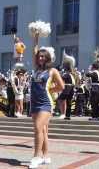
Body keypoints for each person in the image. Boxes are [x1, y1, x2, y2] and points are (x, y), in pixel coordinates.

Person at [29, 34, 64, 168]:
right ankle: (46, 155)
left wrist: (50, 90)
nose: (40, 58)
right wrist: (36, 38)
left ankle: (36, 156)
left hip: (46, 103)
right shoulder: (36, 69)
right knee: (43, 130)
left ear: (47, 58)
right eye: (39, 56)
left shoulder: (52, 70)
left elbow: (61, 86)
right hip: (34, 102)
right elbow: (34, 51)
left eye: (43, 56)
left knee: (37, 128)